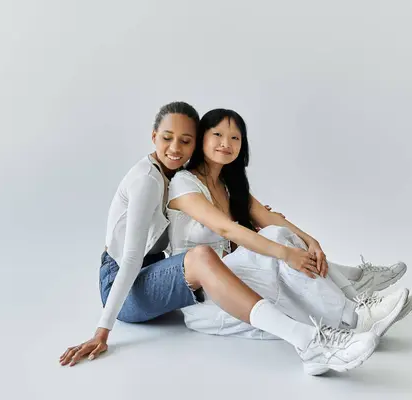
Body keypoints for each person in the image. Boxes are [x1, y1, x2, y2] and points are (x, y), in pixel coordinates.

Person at [58, 101, 380, 375]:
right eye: (167, 138)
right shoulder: (147, 180)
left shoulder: (187, 177)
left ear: (195, 143)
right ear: (153, 136)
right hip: (124, 286)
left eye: (185, 141)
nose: (175, 148)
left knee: (250, 244)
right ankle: (310, 341)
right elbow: (129, 258)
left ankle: (350, 299)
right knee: (201, 256)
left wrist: (303, 241)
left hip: (154, 269)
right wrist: (102, 331)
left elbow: (241, 223)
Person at [167, 108, 412, 339]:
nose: (226, 143)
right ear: (202, 139)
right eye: (218, 134)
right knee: (278, 241)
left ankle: (356, 304)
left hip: (234, 274)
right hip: (204, 292)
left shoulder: (229, 185)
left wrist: (311, 242)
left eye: (235, 138)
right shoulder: (184, 182)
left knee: (278, 234)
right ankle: (355, 311)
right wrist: (287, 254)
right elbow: (226, 228)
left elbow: (272, 220)